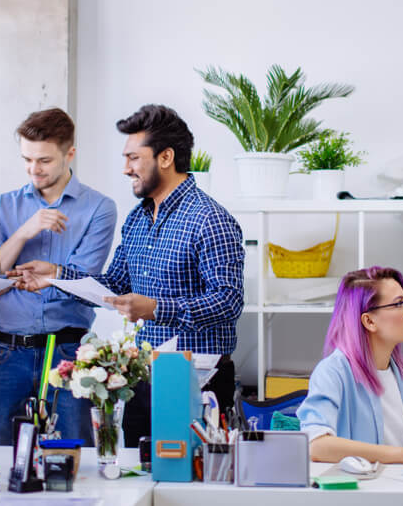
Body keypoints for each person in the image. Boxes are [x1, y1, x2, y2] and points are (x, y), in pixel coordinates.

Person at [13, 104, 244, 445]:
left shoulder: (210, 219)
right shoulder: (137, 219)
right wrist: (56, 276)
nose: (125, 169)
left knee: (191, 484)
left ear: (165, 157)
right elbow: (115, 285)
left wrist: (156, 308)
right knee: (142, 474)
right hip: (145, 378)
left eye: (134, 158)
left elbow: (228, 301)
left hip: (198, 378)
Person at [0, 108, 116, 446]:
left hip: (68, 351)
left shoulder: (99, 208)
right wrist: (25, 230)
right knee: (1, 452)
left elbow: (83, 282)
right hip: (7, 351)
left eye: (44, 161)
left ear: (70, 154)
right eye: (27, 159)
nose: (33, 170)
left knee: (75, 457)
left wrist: (36, 278)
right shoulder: (4, 206)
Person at [296, 266, 403, 463]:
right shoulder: (333, 372)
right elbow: (316, 445)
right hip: (354, 491)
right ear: (369, 321)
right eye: (399, 303)